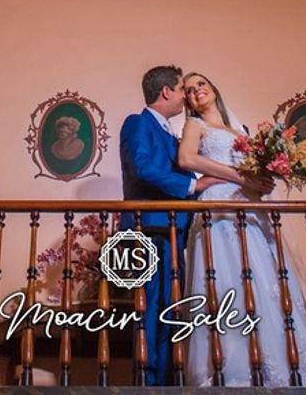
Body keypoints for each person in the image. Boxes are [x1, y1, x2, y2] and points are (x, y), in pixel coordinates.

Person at [177, 73, 306, 386]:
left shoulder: (240, 131)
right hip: (220, 208)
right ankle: (234, 371)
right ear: (188, 102)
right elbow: (187, 159)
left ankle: (281, 368)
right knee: (227, 282)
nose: (196, 91)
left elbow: (254, 172)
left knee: (265, 284)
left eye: (201, 84)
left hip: (251, 209)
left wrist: (264, 179)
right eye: (189, 90)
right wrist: (239, 177)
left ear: (213, 88)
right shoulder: (195, 125)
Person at [118, 65, 228, 385]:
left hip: (173, 231)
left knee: (171, 310)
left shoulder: (169, 132)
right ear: (166, 92)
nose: (185, 97)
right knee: (152, 311)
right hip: (150, 232)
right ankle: (148, 385)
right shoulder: (138, 123)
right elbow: (142, 167)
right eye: (182, 89)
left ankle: (168, 382)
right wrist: (194, 185)